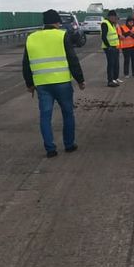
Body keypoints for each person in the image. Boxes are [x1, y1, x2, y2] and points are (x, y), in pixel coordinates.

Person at [23, 9, 86, 157]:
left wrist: (29, 84)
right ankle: (69, 144)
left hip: (42, 84)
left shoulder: (31, 37)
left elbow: (26, 63)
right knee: (68, 114)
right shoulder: (62, 35)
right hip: (62, 82)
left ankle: (50, 149)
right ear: (57, 22)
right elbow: (72, 59)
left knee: (45, 116)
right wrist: (80, 79)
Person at [101, 10, 121, 87]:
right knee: (111, 64)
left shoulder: (112, 24)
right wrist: (109, 46)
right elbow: (103, 36)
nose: (116, 19)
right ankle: (110, 81)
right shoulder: (105, 23)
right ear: (111, 16)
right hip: (109, 47)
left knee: (116, 63)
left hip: (114, 46)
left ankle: (114, 79)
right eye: (115, 17)